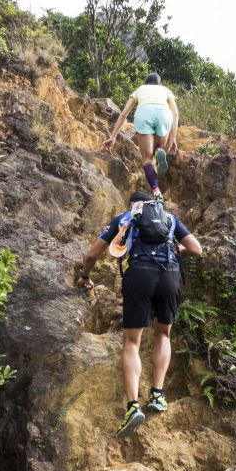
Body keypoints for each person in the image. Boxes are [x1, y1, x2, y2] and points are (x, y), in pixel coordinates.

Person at [76, 191, 202, 436]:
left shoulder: (125, 218)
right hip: (170, 274)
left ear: (132, 204)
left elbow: (93, 254)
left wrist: (85, 275)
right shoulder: (170, 218)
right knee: (163, 334)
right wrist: (178, 252)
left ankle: (133, 406)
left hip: (140, 273)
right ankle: (158, 394)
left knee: (132, 342)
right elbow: (196, 249)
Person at [103, 73, 179, 200]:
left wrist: (113, 136)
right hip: (163, 114)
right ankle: (159, 150)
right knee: (158, 148)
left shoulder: (139, 90)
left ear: (146, 83)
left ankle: (156, 192)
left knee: (147, 159)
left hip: (144, 113)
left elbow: (124, 114)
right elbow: (175, 113)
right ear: (159, 84)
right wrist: (173, 137)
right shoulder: (165, 90)